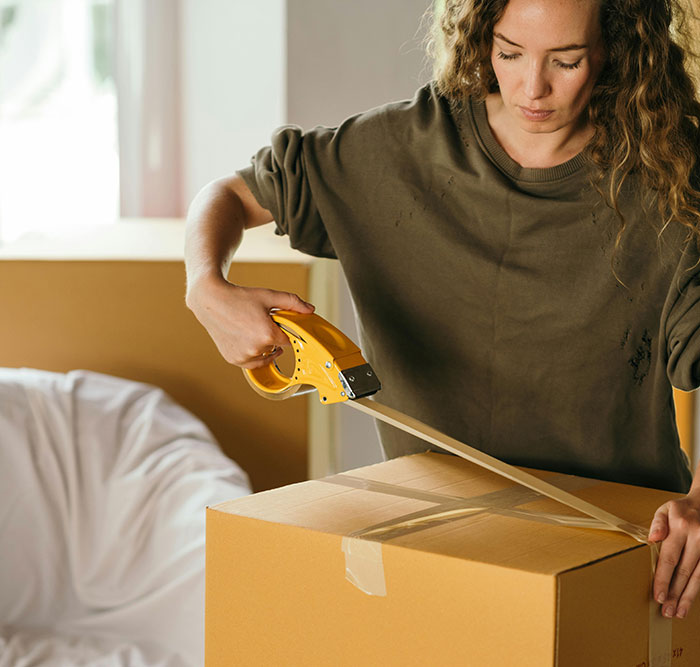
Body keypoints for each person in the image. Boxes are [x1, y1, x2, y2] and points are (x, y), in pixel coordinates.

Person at [185, 0, 700, 621]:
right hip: (434, 547)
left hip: (623, 551)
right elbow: (230, 195)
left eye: (566, 60)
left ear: (615, 48)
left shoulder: (671, 171)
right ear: (482, 36)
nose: (531, 88)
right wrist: (206, 284)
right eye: (509, 53)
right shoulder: (397, 148)